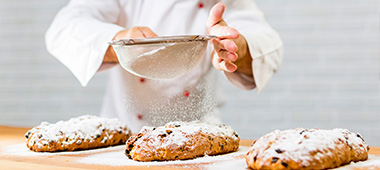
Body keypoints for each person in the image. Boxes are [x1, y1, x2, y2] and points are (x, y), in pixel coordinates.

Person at [45, 0, 283, 133]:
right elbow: (64, 26)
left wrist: (235, 46)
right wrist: (122, 42)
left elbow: (265, 40)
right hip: (125, 134)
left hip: (199, 139)